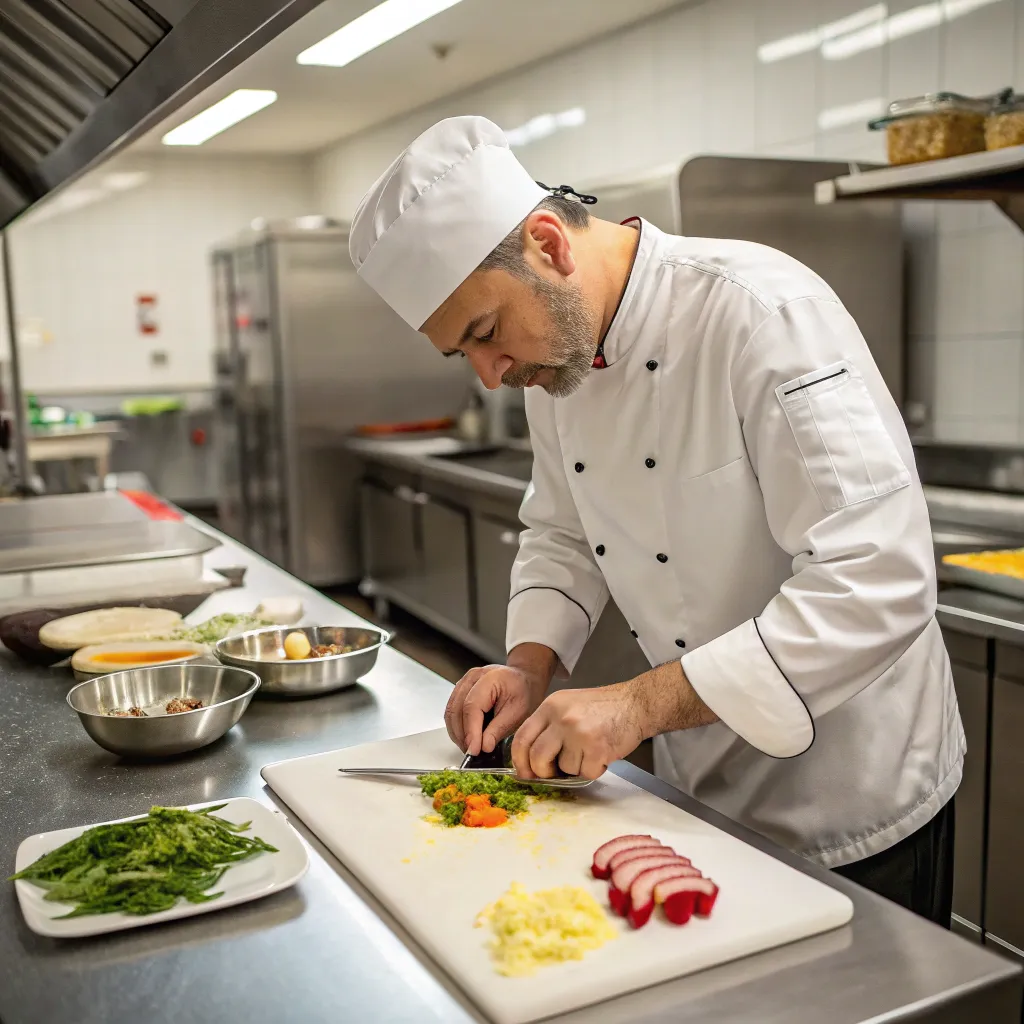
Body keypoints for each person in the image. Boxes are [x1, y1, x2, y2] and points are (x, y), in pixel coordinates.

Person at [348, 115, 963, 926]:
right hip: (699, 771)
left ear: (548, 245)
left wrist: (636, 707)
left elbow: (878, 580)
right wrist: (529, 665)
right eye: (463, 353)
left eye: (486, 332)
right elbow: (561, 529)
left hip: (851, 794)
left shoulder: (762, 313)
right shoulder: (556, 358)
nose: (492, 375)